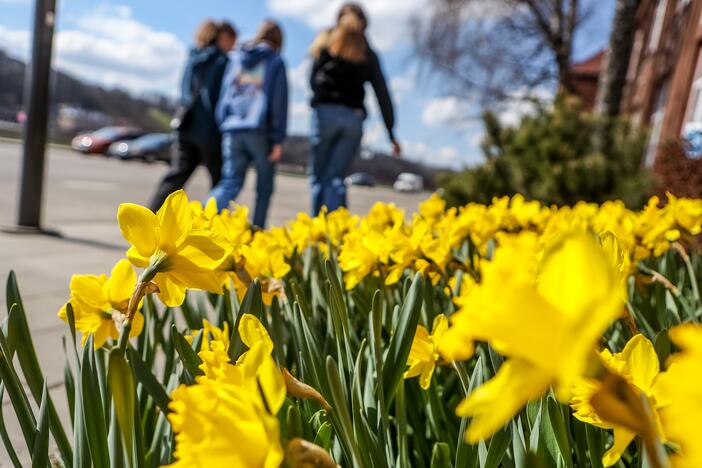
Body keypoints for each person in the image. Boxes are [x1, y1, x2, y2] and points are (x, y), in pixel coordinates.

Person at [308, 3, 401, 215]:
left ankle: (317, 234)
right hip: (353, 118)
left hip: (325, 114)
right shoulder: (367, 52)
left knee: (318, 176)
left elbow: (313, 79)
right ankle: (337, 233)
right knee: (335, 177)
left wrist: (321, 99)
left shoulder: (326, 42)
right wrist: (391, 132)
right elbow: (382, 93)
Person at [148, 20, 237, 211]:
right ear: (222, 37)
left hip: (185, 126)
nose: (234, 46)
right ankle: (216, 229)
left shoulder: (193, 56)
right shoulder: (222, 61)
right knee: (220, 182)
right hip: (209, 130)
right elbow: (221, 99)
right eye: (232, 40)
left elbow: (184, 92)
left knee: (175, 176)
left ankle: (151, 221)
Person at [208, 20, 288, 228]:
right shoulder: (275, 61)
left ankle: (201, 220)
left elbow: (225, 94)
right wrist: (278, 138)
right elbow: (278, 102)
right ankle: (258, 232)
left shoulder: (236, 59)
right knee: (264, 188)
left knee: (230, 182)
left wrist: (224, 123)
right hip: (260, 131)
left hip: (232, 128)